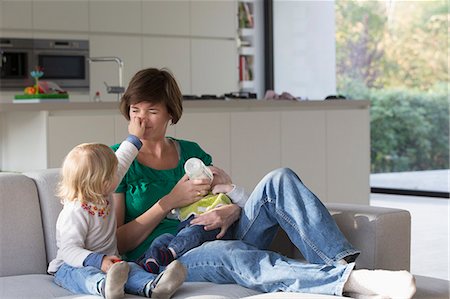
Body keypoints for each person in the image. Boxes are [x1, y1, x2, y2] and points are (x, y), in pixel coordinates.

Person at [112, 67, 416, 299]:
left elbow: (217, 200)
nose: (141, 121)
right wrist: (170, 200)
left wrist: (231, 209)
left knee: (279, 179)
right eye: (135, 110)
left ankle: (340, 264)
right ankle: (352, 281)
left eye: (151, 111)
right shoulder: (119, 160)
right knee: (231, 254)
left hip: (222, 231)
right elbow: (118, 241)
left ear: (170, 113)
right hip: (170, 258)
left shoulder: (192, 153)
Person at [48, 116, 187, 299]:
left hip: (112, 264)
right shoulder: (75, 211)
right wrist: (100, 261)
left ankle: (154, 286)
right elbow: (69, 251)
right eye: (114, 173)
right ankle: (105, 286)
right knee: (81, 275)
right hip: (71, 266)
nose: (119, 174)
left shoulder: (103, 192)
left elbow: (123, 158)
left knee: (131, 269)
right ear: (104, 181)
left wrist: (135, 137)